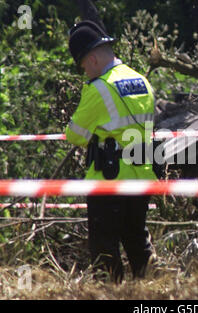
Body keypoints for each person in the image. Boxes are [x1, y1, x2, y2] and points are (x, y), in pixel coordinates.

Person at [66, 20, 157, 283]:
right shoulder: (142, 81)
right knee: (138, 241)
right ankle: (152, 292)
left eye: (83, 66)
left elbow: (75, 134)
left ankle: (111, 295)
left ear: (92, 59)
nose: (85, 72)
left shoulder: (100, 88)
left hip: (109, 181)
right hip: (140, 176)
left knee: (105, 250)